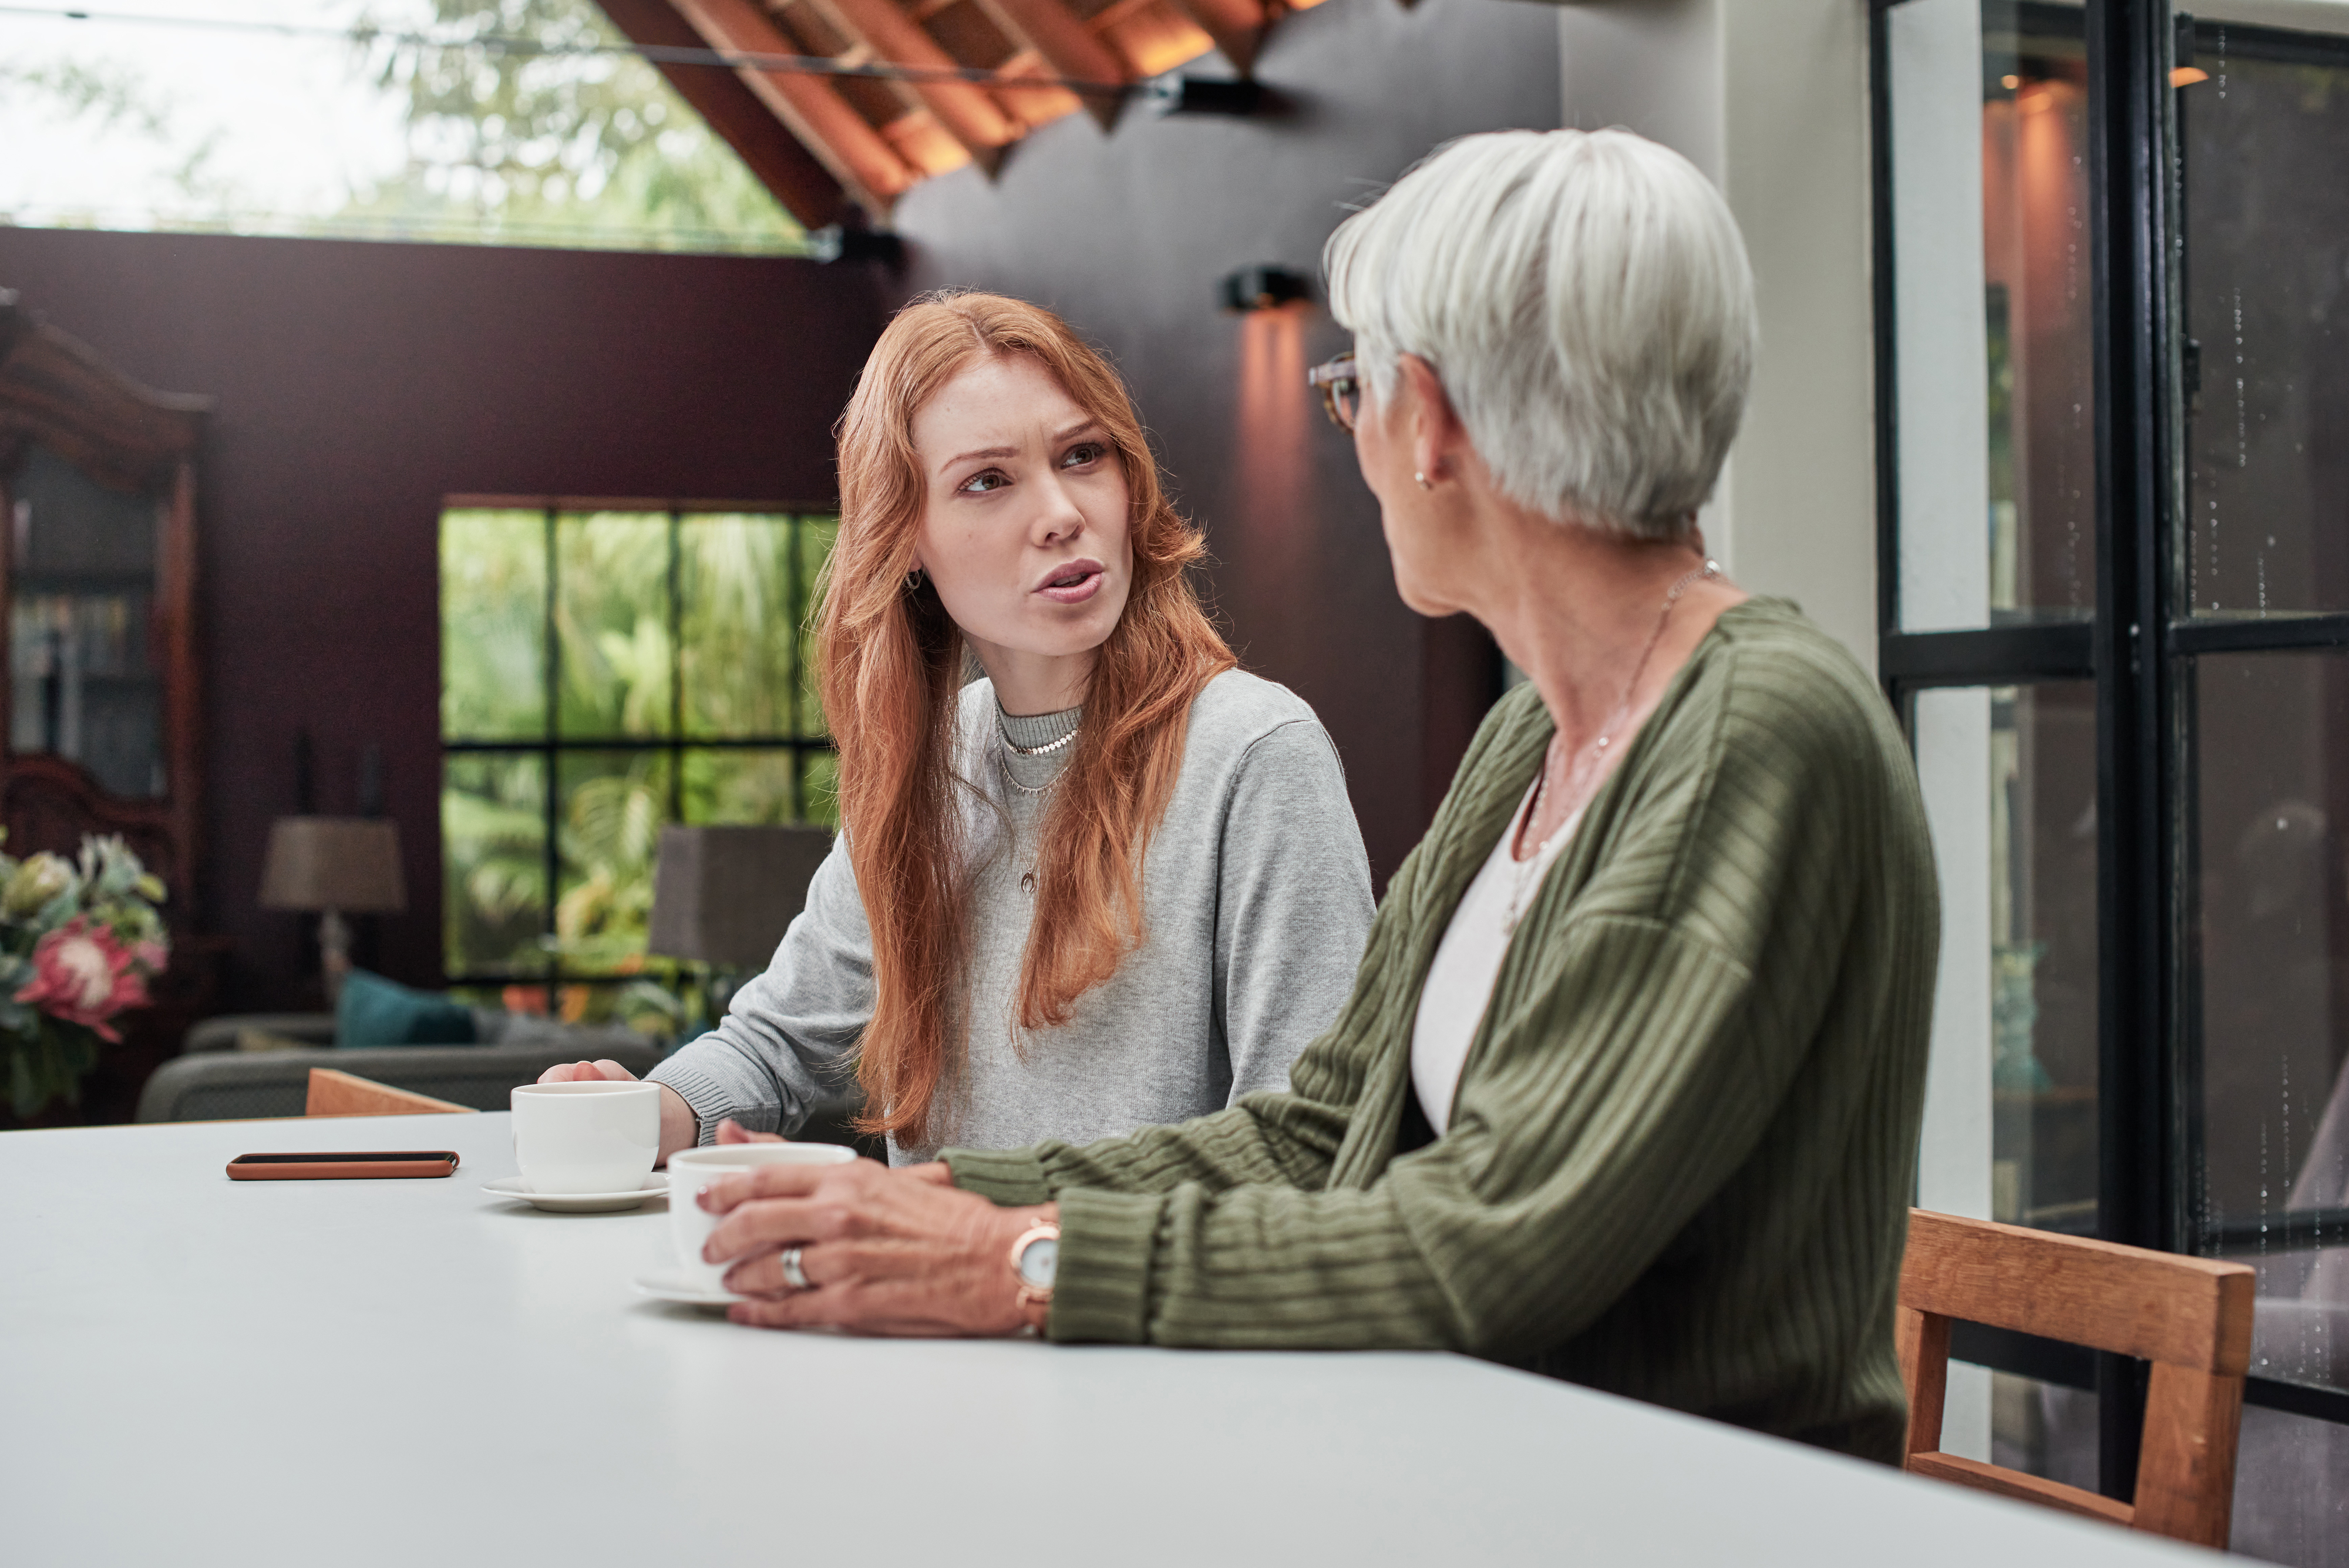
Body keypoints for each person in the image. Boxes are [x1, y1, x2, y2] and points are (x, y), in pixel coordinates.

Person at [686, 129, 1940, 1461]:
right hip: (1485, 1470)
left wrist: (1023, 1262)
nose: (1349, 435)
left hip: (1662, 1512)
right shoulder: (1535, 741)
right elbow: (1322, 1129)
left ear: (1435, 424)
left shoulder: (1754, 739)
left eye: (1352, 393)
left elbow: (1491, 1242)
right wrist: (953, 1203)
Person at [545, 292, 1375, 1165]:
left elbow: (1310, 1147)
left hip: (1121, 1299)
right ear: (904, 535)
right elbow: (778, 1042)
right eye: (988, 479)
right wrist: (645, 1108)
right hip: (914, 1303)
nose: (1060, 512)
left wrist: (1003, 1243)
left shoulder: (1255, 752)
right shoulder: (934, 762)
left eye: (1083, 455)